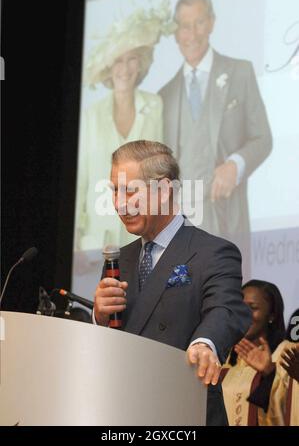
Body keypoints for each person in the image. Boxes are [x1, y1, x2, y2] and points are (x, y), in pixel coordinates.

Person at [93, 139, 252, 426]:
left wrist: (206, 344)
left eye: (130, 190)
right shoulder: (120, 260)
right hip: (125, 413)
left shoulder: (211, 252)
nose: (119, 203)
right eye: (115, 191)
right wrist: (99, 317)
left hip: (185, 411)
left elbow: (226, 309)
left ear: (164, 190)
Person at [159, 0, 273, 279]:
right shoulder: (165, 95)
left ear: (211, 23)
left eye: (199, 22)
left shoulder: (240, 72)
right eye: (185, 26)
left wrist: (236, 163)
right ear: (176, 33)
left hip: (229, 219)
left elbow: (263, 137)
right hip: (181, 231)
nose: (192, 33)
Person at [75, 0, 175, 255]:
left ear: (141, 63)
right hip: (97, 239)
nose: (125, 68)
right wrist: (76, 237)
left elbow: (162, 171)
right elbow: (82, 181)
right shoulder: (90, 115)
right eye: (118, 60)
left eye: (132, 59)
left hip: (145, 230)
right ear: (109, 67)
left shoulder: (155, 105)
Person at [221, 279, 286, 425]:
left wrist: (268, 374)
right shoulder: (225, 357)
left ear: (271, 316)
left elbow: (289, 411)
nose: (244, 314)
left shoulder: (286, 355)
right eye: (241, 307)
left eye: (253, 307)